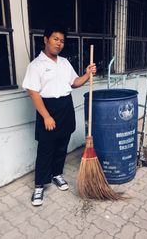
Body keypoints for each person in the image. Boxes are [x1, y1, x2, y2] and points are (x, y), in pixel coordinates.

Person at [22, 26, 96, 206]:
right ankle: (39, 185)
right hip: (47, 108)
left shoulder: (64, 62)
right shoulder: (36, 65)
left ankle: (56, 174)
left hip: (65, 106)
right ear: (46, 40)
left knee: (62, 145)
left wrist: (87, 74)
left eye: (62, 41)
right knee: (46, 148)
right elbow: (33, 92)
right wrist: (46, 116)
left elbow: (75, 82)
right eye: (55, 39)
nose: (59, 43)